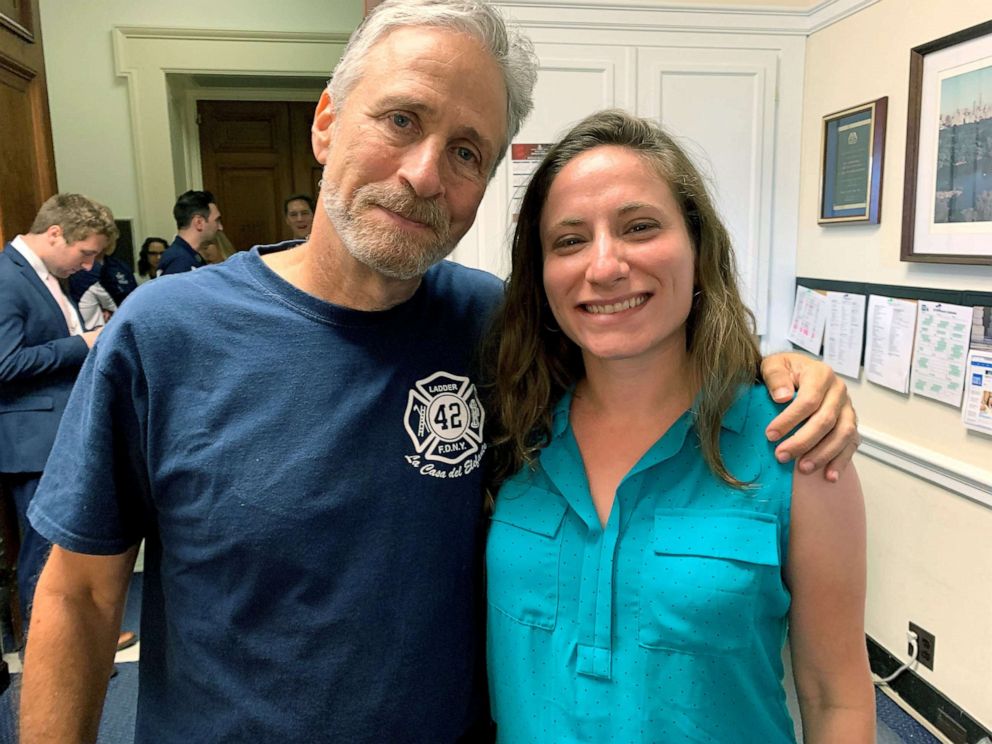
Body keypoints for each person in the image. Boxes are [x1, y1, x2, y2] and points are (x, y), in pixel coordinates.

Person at [20, 3, 856, 742]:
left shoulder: (494, 330)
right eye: (400, 120)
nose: (424, 175)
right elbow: (83, 600)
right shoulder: (165, 333)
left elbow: (639, 339)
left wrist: (783, 371)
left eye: (466, 151)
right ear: (326, 122)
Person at [485, 110, 874, 743]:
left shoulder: (796, 444)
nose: (605, 266)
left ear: (697, 246)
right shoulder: (510, 428)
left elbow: (837, 700)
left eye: (639, 227)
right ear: (542, 275)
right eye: (569, 240)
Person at [0, 194, 114, 630]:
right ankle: (46, 653)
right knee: (43, 555)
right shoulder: (9, 278)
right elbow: (5, 364)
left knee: (60, 551)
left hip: (53, 434)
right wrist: (82, 345)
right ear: (54, 234)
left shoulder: (45, 275)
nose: (88, 265)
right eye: (86, 253)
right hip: (31, 442)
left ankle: (70, 639)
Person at [157, 190, 223, 275]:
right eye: (216, 221)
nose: (220, 227)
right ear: (199, 223)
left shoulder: (186, 255)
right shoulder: (180, 261)